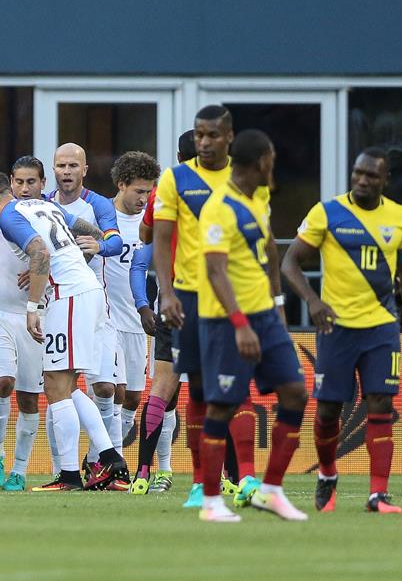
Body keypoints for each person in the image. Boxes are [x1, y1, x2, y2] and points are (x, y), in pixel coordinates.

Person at [0, 168, 129, 491]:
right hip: (88, 292)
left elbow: (39, 251)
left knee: (55, 387)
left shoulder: (10, 216)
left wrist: (33, 307)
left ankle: (69, 476)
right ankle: (112, 461)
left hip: (68, 296)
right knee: (67, 386)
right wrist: (102, 237)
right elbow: (76, 225)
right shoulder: (42, 205)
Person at [281, 147, 402, 514]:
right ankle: (328, 474)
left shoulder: (401, 217)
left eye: (371, 175)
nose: (362, 180)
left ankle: (378, 494)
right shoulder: (327, 212)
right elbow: (290, 262)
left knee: (381, 403)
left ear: (385, 179)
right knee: (329, 409)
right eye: (358, 173)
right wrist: (313, 301)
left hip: (381, 328)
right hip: (336, 328)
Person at [197, 129, 308, 522]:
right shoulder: (218, 208)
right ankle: (211, 502)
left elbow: (268, 260)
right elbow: (215, 270)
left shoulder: (258, 201)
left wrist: (277, 307)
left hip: (265, 316)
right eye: (271, 159)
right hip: (228, 321)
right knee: (223, 405)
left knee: (295, 392)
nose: (273, 166)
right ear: (261, 161)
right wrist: (240, 324)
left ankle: (272, 490)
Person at [153, 106, 259, 508]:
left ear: (229, 136)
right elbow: (160, 239)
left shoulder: (247, 176)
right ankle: (201, 482)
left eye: (212, 134)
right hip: (191, 296)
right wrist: (166, 292)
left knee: (239, 384)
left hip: (238, 295)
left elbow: (261, 239)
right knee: (197, 388)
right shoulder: (175, 178)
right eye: (198, 135)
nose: (204, 142)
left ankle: (247, 476)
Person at [46, 143, 125, 485]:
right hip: (58, 303)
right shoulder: (45, 205)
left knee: (104, 387)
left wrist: (99, 245)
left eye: (72, 166)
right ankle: (65, 466)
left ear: (85, 169)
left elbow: (115, 242)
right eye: (61, 165)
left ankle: (101, 462)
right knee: (59, 386)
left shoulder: (97, 205)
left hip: (94, 306)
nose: (66, 171)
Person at [129, 130, 195, 495]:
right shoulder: (225, 188)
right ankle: (224, 477)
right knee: (213, 389)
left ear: (177, 155)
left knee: (163, 388)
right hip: (212, 302)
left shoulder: (165, 188)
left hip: (171, 299)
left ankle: (142, 474)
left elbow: (145, 234)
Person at [0, 157, 48, 491]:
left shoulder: (50, 217)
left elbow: (77, 251)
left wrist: (41, 273)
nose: (24, 188)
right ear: (10, 182)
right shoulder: (3, 212)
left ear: (42, 183)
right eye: (19, 182)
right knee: (3, 381)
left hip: (35, 315)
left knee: (30, 399)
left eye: (31, 182)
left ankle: (20, 470)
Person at [103, 151, 159, 463]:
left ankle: (105, 455)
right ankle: (113, 464)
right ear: (122, 184)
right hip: (107, 317)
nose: (144, 198)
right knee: (114, 389)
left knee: (134, 397)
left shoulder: (150, 222)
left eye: (149, 192)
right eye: (139, 191)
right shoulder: (102, 215)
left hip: (138, 321)